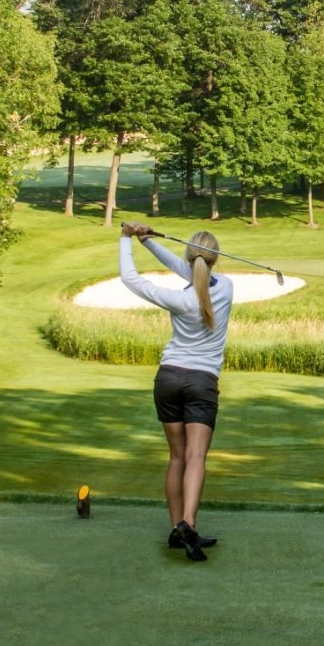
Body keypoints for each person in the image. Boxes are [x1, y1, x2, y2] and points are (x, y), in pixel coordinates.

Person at [119, 222, 233, 561]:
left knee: (177, 457)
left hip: (168, 379)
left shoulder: (177, 299)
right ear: (214, 259)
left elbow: (132, 280)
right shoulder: (226, 287)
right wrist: (147, 241)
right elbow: (193, 269)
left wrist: (129, 240)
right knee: (196, 457)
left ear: (190, 256)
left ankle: (176, 529)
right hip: (201, 382)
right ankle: (189, 525)